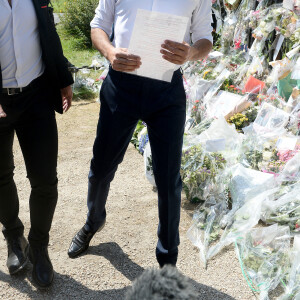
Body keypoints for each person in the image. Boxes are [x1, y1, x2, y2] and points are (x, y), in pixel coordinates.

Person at [68, 0, 212, 267]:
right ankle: (93, 220)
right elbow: (98, 26)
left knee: (168, 179)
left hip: (167, 90)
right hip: (122, 84)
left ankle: (168, 259)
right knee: (101, 167)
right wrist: (110, 52)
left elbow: (205, 38)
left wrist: (190, 53)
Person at [0, 0, 73, 288]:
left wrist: (63, 77)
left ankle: (39, 247)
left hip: (36, 96)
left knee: (44, 180)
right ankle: (13, 237)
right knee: (1, 176)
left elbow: (48, 32)